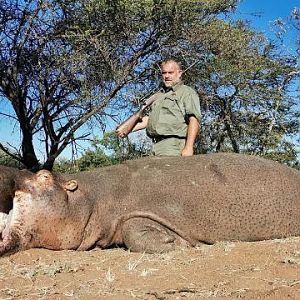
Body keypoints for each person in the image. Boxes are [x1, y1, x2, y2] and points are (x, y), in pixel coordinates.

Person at [116, 59, 201, 156]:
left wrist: (188, 148)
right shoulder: (160, 95)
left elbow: (194, 119)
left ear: (179, 73)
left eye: (171, 72)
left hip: (173, 146)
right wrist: (127, 129)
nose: (167, 76)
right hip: (155, 146)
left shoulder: (186, 92)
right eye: (164, 73)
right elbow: (150, 119)